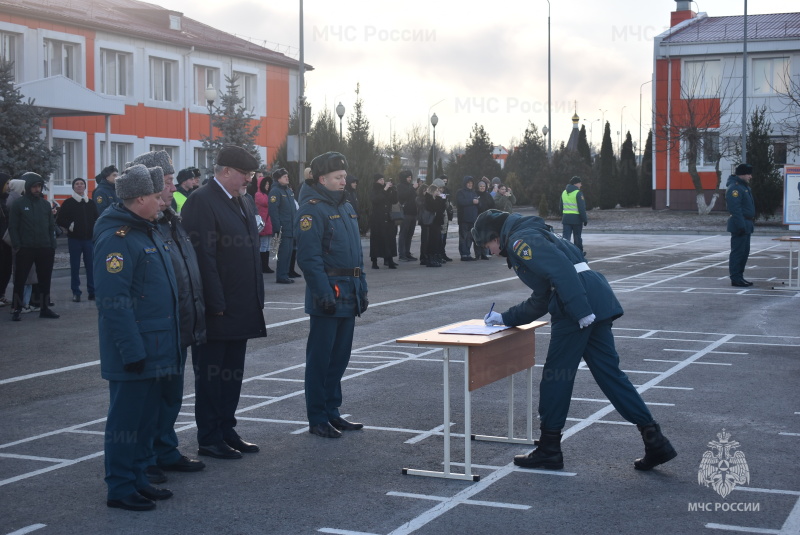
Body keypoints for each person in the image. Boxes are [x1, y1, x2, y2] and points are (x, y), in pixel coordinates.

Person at [474, 209, 677, 472]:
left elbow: (561, 273)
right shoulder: (535, 233)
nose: (489, 251)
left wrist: (580, 311)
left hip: (575, 306)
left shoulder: (519, 240)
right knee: (610, 375)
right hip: (592, 298)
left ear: (494, 235)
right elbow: (543, 295)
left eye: (486, 245)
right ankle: (655, 441)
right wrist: (506, 317)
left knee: (556, 378)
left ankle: (549, 449)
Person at [93, 164, 178, 511]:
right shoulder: (117, 239)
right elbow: (115, 303)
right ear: (139, 197)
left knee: (145, 420)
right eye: (156, 197)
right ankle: (120, 486)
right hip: (136, 349)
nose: (162, 202)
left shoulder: (147, 230)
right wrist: (131, 351)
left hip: (156, 345)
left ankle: (139, 477)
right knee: (125, 422)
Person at [181, 145, 266, 460]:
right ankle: (209, 437)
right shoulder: (201, 201)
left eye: (251, 174)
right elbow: (203, 259)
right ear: (226, 171)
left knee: (232, 374)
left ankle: (227, 429)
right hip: (217, 311)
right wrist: (215, 304)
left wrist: (257, 295)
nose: (249, 181)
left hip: (240, 306)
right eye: (246, 174)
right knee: (212, 376)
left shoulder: (240, 200)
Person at [295, 151, 368, 438]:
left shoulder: (347, 207)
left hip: (349, 293)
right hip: (329, 294)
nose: (344, 180)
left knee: (339, 358)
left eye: (344, 176)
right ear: (322, 179)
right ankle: (317, 417)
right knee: (320, 359)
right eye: (338, 177)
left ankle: (332, 411)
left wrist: (362, 288)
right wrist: (323, 294)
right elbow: (309, 259)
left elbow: (356, 255)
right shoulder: (312, 210)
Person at [147, 165, 207, 483]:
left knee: (172, 394)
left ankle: (165, 450)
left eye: (172, 182)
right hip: (158, 327)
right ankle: (145, 457)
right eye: (167, 183)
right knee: (150, 398)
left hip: (179, 321)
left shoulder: (172, 221)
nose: (173, 189)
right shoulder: (146, 227)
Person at [8, 172, 59, 321]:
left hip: (45, 248)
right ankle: (17, 308)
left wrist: (52, 244)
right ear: (28, 187)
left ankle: (44, 308)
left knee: (45, 279)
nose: (37, 189)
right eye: (34, 186)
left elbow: (51, 225)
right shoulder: (19, 204)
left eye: (39, 186)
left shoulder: (44, 204)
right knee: (20, 279)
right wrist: (17, 245)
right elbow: (13, 226)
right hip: (25, 248)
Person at [56, 177, 99, 302]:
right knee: (74, 266)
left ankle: (92, 291)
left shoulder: (90, 203)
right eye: (77, 184)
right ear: (73, 187)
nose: (79, 186)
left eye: (81, 184)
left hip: (88, 240)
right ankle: (76, 292)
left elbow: (97, 218)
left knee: (90, 266)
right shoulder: (68, 203)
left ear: (85, 187)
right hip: (74, 240)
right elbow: (60, 219)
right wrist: (71, 225)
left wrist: (94, 228)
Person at [726, 164, 755, 287]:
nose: (750, 176)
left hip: (746, 223)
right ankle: (735, 278)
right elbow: (735, 209)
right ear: (742, 174)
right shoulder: (735, 188)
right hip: (740, 224)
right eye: (748, 174)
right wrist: (741, 225)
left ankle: (740, 276)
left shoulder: (744, 187)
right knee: (738, 252)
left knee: (744, 252)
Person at [269, 168, 300, 284]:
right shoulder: (275, 191)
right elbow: (273, 211)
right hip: (283, 228)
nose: (287, 178)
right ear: (278, 178)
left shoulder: (288, 190)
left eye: (287, 176)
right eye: (284, 176)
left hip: (291, 227)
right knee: (283, 253)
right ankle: (281, 276)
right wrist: (277, 228)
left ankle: (285, 274)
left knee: (289, 253)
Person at [369, 174, 398, 269]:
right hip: (378, 219)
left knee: (389, 239)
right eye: (380, 179)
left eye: (383, 179)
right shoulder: (375, 190)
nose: (382, 181)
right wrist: (385, 189)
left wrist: (393, 189)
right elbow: (376, 200)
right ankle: (374, 261)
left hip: (388, 218)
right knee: (377, 240)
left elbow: (394, 201)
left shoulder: (387, 189)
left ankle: (390, 260)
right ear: (376, 181)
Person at [560, 176, 588, 255]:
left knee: (566, 238)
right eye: (580, 183)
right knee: (577, 237)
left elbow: (560, 207)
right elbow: (581, 208)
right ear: (576, 184)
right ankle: (578, 253)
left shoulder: (564, 192)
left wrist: (564, 215)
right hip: (576, 219)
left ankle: (565, 253)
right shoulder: (578, 193)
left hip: (566, 219)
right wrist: (584, 219)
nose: (581, 185)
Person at [254, 171, 274, 274]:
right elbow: (267, 203)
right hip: (263, 223)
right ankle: (262, 266)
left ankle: (265, 266)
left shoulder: (266, 194)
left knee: (266, 246)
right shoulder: (258, 195)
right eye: (265, 184)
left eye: (268, 184)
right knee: (263, 245)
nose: (267, 186)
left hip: (268, 223)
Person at [396, 170, 418, 262]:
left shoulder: (410, 186)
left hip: (413, 213)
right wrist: (413, 188)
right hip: (405, 213)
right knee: (403, 234)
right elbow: (402, 196)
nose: (410, 179)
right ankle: (402, 254)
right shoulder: (400, 186)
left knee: (410, 234)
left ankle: (407, 252)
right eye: (408, 177)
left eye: (410, 177)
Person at [456, 175, 479, 261]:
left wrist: (477, 202)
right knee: (463, 237)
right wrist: (472, 201)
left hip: (472, 219)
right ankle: (463, 254)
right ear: (465, 183)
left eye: (471, 183)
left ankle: (468, 253)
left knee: (469, 237)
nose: (470, 185)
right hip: (464, 219)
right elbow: (460, 202)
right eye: (468, 183)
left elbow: (477, 203)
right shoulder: (460, 192)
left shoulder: (473, 192)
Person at [423, 184, 446, 267]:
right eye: (436, 191)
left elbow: (441, 208)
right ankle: (430, 258)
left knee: (437, 240)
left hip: (437, 221)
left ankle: (435, 257)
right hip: (432, 221)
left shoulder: (436, 199)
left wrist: (442, 200)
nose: (438, 192)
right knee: (432, 240)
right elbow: (434, 207)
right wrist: (440, 198)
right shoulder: (428, 198)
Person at [475, 179, 495, 260]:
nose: (482, 188)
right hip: (477, 218)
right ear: (478, 187)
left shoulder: (488, 195)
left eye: (483, 186)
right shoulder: (475, 194)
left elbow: (493, 205)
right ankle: (477, 254)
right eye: (481, 186)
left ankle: (484, 253)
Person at [0, 172, 12, 307]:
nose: (9, 186)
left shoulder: (5, 199)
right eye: (7, 183)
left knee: (6, 269)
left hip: (6, 242)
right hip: (2, 242)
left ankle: (2, 294)